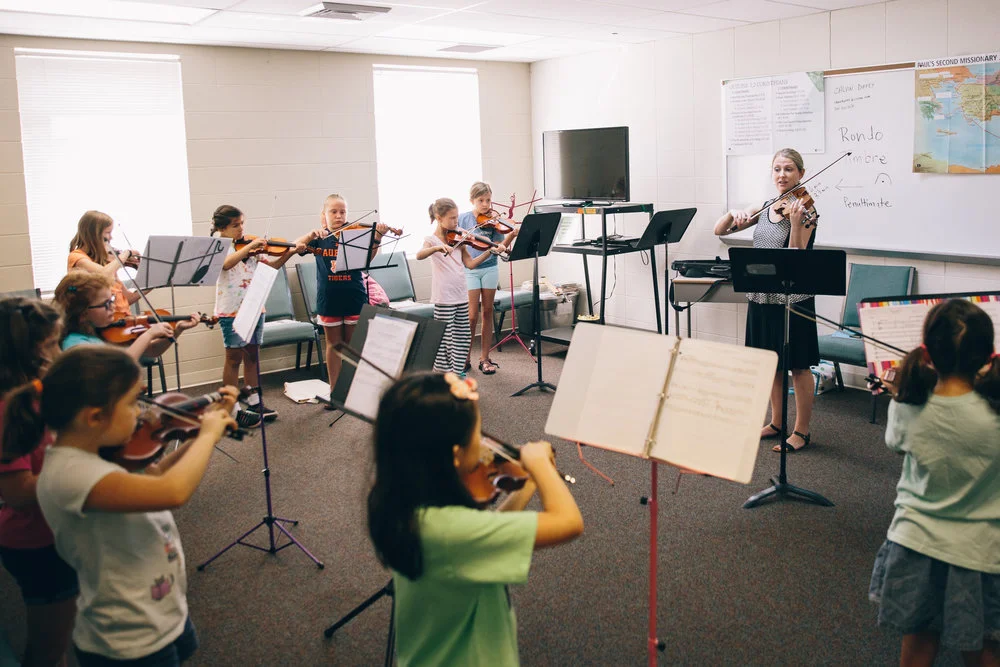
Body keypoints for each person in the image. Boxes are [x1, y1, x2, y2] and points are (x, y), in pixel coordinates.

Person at [2, 345, 238, 667]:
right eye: (132, 404)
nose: (143, 413)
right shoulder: (72, 474)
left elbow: (155, 475)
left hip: (161, 609)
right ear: (95, 416)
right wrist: (208, 436)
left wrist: (201, 440)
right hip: (128, 637)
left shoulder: (95, 454)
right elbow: (173, 491)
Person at [367, 372, 583, 666]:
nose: (482, 442)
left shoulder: (408, 501)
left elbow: (488, 530)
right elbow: (569, 522)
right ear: (455, 455)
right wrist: (541, 465)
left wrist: (530, 482)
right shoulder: (450, 532)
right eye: (476, 435)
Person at [868, 299, 1000, 666]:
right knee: (984, 644)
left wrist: (898, 393)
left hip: (915, 545)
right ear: (988, 355)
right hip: (982, 551)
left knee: (920, 637)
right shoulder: (994, 413)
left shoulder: (907, 407)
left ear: (926, 352)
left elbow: (895, 442)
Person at [713, 147, 820, 452]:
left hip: (793, 299)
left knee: (798, 365)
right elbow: (720, 230)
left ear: (801, 173)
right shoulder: (767, 206)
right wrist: (733, 214)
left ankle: (801, 431)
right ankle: (776, 423)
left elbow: (798, 257)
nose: (782, 175)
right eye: (777, 169)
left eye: (788, 169)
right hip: (762, 296)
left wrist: (798, 224)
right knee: (770, 362)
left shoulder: (806, 210)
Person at [0, 297, 77, 667]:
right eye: (51, 345)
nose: (59, 352)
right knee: (48, 647)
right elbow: (17, 493)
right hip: (36, 541)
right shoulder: (9, 409)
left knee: (59, 639)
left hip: (56, 532)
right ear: (26, 352)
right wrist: (77, 459)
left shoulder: (35, 393)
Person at [211, 204, 311, 423]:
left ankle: (254, 401)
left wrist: (290, 253)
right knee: (233, 358)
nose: (241, 229)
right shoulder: (220, 246)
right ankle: (231, 405)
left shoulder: (251, 248)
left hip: (255, 308)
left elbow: (272, 267)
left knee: (252, 356)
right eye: (235, 226)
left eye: (242, 224)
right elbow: (227, 265)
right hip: (231, 311)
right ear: (221, 228)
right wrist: (250, 247)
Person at [306, 194, 389, 392]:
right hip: (329, 298)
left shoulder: (356, 234)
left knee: (353, 345)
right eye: (333, 212)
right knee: (334, 345)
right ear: (323, 216)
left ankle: (352, 389)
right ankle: (335, 389)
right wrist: (310, 235)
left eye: (342, 212)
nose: (338, 216)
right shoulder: (319, 238)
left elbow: (366, 260)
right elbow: (296, 245)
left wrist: (377, 237)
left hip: (354, 294)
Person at [417, 198, 500, 375]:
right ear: (439, 218)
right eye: (452, 218)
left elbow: (470, 264)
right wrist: (437, 249)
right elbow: (419, 255)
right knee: (445, 340)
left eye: (457, 217)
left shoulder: (459, 237)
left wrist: (488, 252)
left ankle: (458, 373)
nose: (457, 222)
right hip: (444, 298)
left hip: (461, 295)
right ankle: (444, 376)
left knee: (462, 338)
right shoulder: (431, 240)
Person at [52, 272, 197, 361]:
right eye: (106, 304)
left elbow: (152, 351)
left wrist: (177, 330)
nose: (113, 307)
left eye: (112, 300)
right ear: (83, 314)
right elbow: (123, 365)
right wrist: (149, 334)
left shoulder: (104, 331)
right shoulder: (76, 345)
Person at [457, 182, 516, 375]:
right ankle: (464, 358)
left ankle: (485, 358)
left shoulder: (494, 220)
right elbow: (454, 239)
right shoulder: (463, 218)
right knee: (472, 315)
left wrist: (509, 238)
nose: (485, 204)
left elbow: (500, 244)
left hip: (490, 268)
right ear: (472, 200)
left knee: (488, 311)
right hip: (470, 270)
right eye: (481, 200)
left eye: (488, 200)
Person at [67, 210, 146, 322]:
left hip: (124, 321)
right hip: (104, 324)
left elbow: (126, 299)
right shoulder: (77, 257)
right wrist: (126, 254)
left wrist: (152, 285)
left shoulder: (108, 263)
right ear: (94, 235)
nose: (111, 238)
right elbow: (103, 274)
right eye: (108, 233)